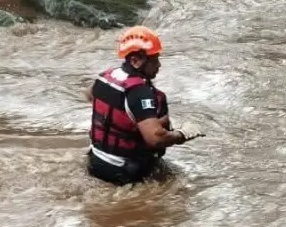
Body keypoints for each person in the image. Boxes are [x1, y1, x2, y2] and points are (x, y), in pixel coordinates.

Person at [86, 25, 201, 186]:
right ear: (135, 61)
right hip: (123, 172)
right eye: (154, 60)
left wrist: (126, 120)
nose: (159, 65)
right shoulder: (139, 92)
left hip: (95, 162)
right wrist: (182, 134)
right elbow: (155, 138)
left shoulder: (107, 76)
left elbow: (89, 95)